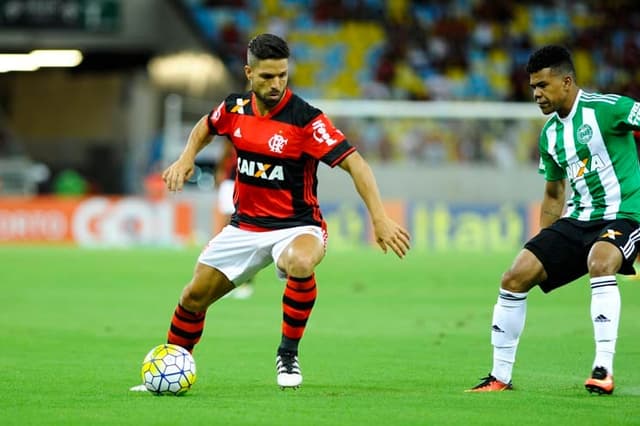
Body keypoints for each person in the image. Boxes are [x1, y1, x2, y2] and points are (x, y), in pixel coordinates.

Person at [133, 33, 411, 390]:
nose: (277, 83)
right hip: (245, 227)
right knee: (193, 297)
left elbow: (356, 165)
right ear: (249, 73)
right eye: (267, 76)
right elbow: (207, 125)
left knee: (298, 263)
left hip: (297, 226)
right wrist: (186, 158)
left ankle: (288, 355)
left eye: (283, 75)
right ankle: (170, 367)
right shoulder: (234, 109)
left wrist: (380, 217)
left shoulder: (307, 120)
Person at [467, 45, 640, 395]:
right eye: (533, 87)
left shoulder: (607, 109)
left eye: (543, 86)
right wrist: (543, 248)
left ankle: (603, 369)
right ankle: (500, 377)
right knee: (514, 276)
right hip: (577, 220)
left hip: (625, 215)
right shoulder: (549, 134)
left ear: (567, 81)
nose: (537, 94)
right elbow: (553, 194)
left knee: (601, 261)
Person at [215, 140, 254, 299]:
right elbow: (225, 152)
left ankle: (247, 281)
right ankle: (224, 280)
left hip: (246, 183)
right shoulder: (232, 131)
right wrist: (219, 171)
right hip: (229, 183)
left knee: (245, 231)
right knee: (226, 231)